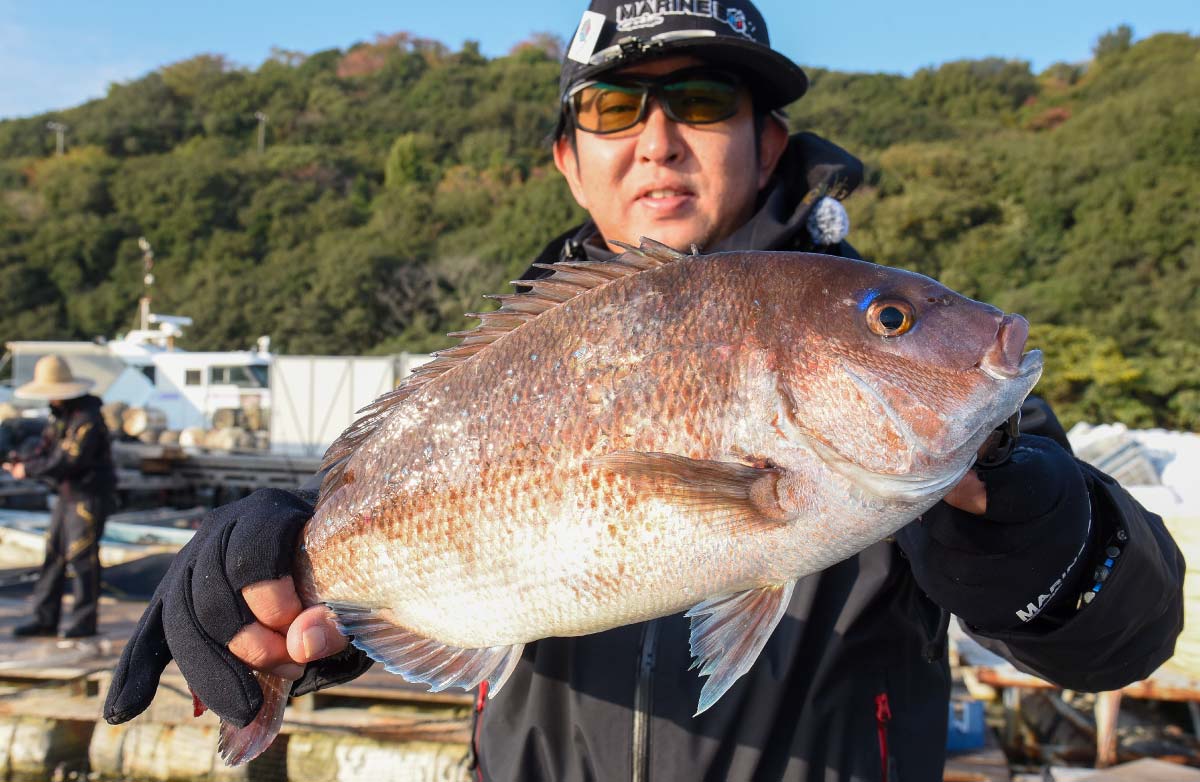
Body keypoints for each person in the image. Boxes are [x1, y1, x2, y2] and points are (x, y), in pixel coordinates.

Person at [104, 2, 1185, 779]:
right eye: (616, 107)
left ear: (769, 145)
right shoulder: (502, 362)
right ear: (569, 159)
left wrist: (1036, 531)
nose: (658, 139)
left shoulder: (926, 380)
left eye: (703, 100)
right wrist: (287, 571)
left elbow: (1124, 638)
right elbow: (432, 577)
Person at [3, 355, 116, 639]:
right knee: (53, 556)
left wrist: (25, 469)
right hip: (68, 496)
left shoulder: (87, 419)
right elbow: (47, 451)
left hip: (88, 496)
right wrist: (22, 460)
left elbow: (68, 460)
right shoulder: (62, 416)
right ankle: (45, 619)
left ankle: (83, 621)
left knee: (81, 558)